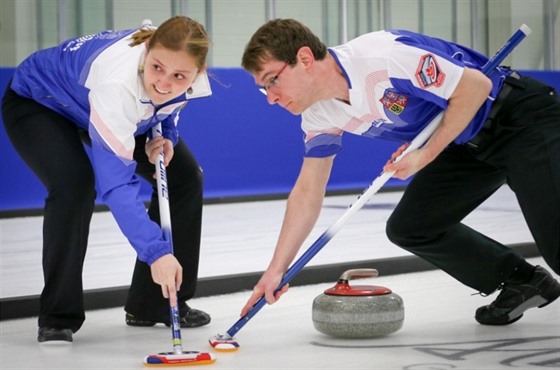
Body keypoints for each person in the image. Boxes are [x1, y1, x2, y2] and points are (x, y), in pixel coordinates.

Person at [239, 19, 560, 326]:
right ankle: (522, 282)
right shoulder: (318, 114)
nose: (271, 98)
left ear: (304, 58)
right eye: (263, 89)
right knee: (413, 227)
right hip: (467, 143)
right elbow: (308, 190)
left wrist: (427, 154)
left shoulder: (383, 57)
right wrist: (275, 270)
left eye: (272, 80)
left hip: (520, 118)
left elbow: (476, 86)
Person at [1, 16, 212, 343]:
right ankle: (58, 315)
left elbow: (168, 109)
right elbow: (116, 187)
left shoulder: (184, 75)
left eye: (179, 76)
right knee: (74, 184)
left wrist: (167, 137)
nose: (165, 83)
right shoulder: (118, 84)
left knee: (184, 175)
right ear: (145, 54)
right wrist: (156, 252)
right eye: (157, 68)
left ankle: (154, 304)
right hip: (41, 102)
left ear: (197, 73)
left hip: (92, 106)